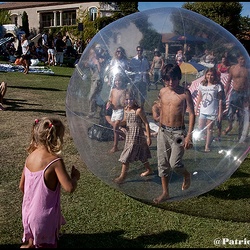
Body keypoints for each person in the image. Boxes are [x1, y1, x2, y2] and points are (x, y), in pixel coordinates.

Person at [19, 117, 80, 248]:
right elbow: (69, 187)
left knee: (32, 242)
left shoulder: (30, 157)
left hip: (28, 213)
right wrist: (75, 177)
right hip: (44, 218)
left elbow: (21, 186)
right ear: (57, 138)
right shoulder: (55, 161)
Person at [153, 63, 195, 204]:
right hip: (163, 132)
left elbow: (192, 113)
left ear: (179, 78)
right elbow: (160, 106)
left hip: (178, 134)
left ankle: (186, 174)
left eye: (174, 79)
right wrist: (156, 115)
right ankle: (165, 193)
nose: (171, 82)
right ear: (164, 79)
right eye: (168, 79)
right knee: (162, 163)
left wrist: (189, 135)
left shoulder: (185, 93)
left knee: (175, 163)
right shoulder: (163, 92)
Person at [113, 88, 153, 184]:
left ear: (135, 99)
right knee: (142, 155)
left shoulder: (138, 111)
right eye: (126, 99)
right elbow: (126, 121)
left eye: (131, 99)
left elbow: (146, 123)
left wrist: (148, 137)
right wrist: (119, 123)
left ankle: (123, 176)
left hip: (137, 136)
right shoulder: (126, 109)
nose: (129, 101)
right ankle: (149, 169)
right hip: (130, 135)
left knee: (126, 156)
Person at [195, 68, 223, 151]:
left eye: (211, 75)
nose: (210, 76)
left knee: (209, 128)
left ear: (214, 76)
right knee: (200, 127)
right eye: (208, 74)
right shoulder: (202, 85)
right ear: (205, 75)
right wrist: (196, 108)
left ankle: (207, 146)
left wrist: (220, 112)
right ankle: (209, 137)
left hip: (212, 111)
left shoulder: (217, 86)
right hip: (203, 110)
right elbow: (199, 97)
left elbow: (220, 100)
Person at [223, 54, 249, 141]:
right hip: (235, 93)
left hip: (244, 94)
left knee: (242, 115)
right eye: (241, 59)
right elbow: (228, 81)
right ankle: (229, 126)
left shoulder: (247, 70)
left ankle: (240, 134)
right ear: (238, 59)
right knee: (230, 113)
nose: (243, 61)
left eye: (244, 59)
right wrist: (225, 93)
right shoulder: (233, 68)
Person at [106, 73, 127, 153]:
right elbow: (110, 99)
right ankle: (128, 138)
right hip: (114, 111)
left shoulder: (124, 91)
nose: (117, 82)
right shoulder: (113, 90)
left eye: (119, 81)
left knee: (115, 127)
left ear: (122, 81)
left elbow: (125, 102)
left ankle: (115, 146)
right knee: (116, 129)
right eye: (116, 81)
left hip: (120, 111)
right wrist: (109, 103)